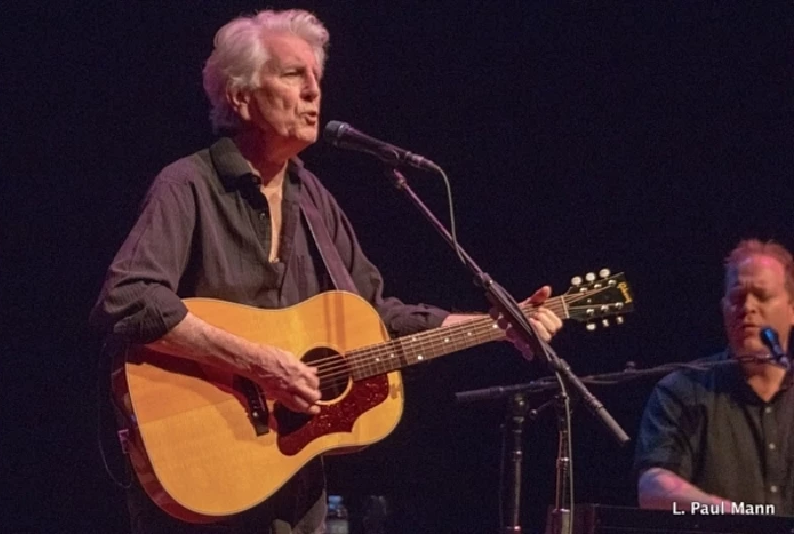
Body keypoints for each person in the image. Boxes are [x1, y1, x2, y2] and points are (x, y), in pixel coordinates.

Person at [89, 9, 563, 533]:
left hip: (293, 488)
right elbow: (129, 300)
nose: (314, 92)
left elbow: (378, 318)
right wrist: (259, 363)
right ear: (240, 96)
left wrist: (498, 324)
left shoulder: (313, 199)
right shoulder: (188, 185)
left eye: (317, 78)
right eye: (294, 75)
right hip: (202, 472)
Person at [634, 238, 794, 515]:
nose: (748, 308)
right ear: (723, 308)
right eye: (736, 298)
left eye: (762, 296)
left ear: (792, 309)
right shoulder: (683, 390)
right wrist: (735, 516)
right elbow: (653, 489)